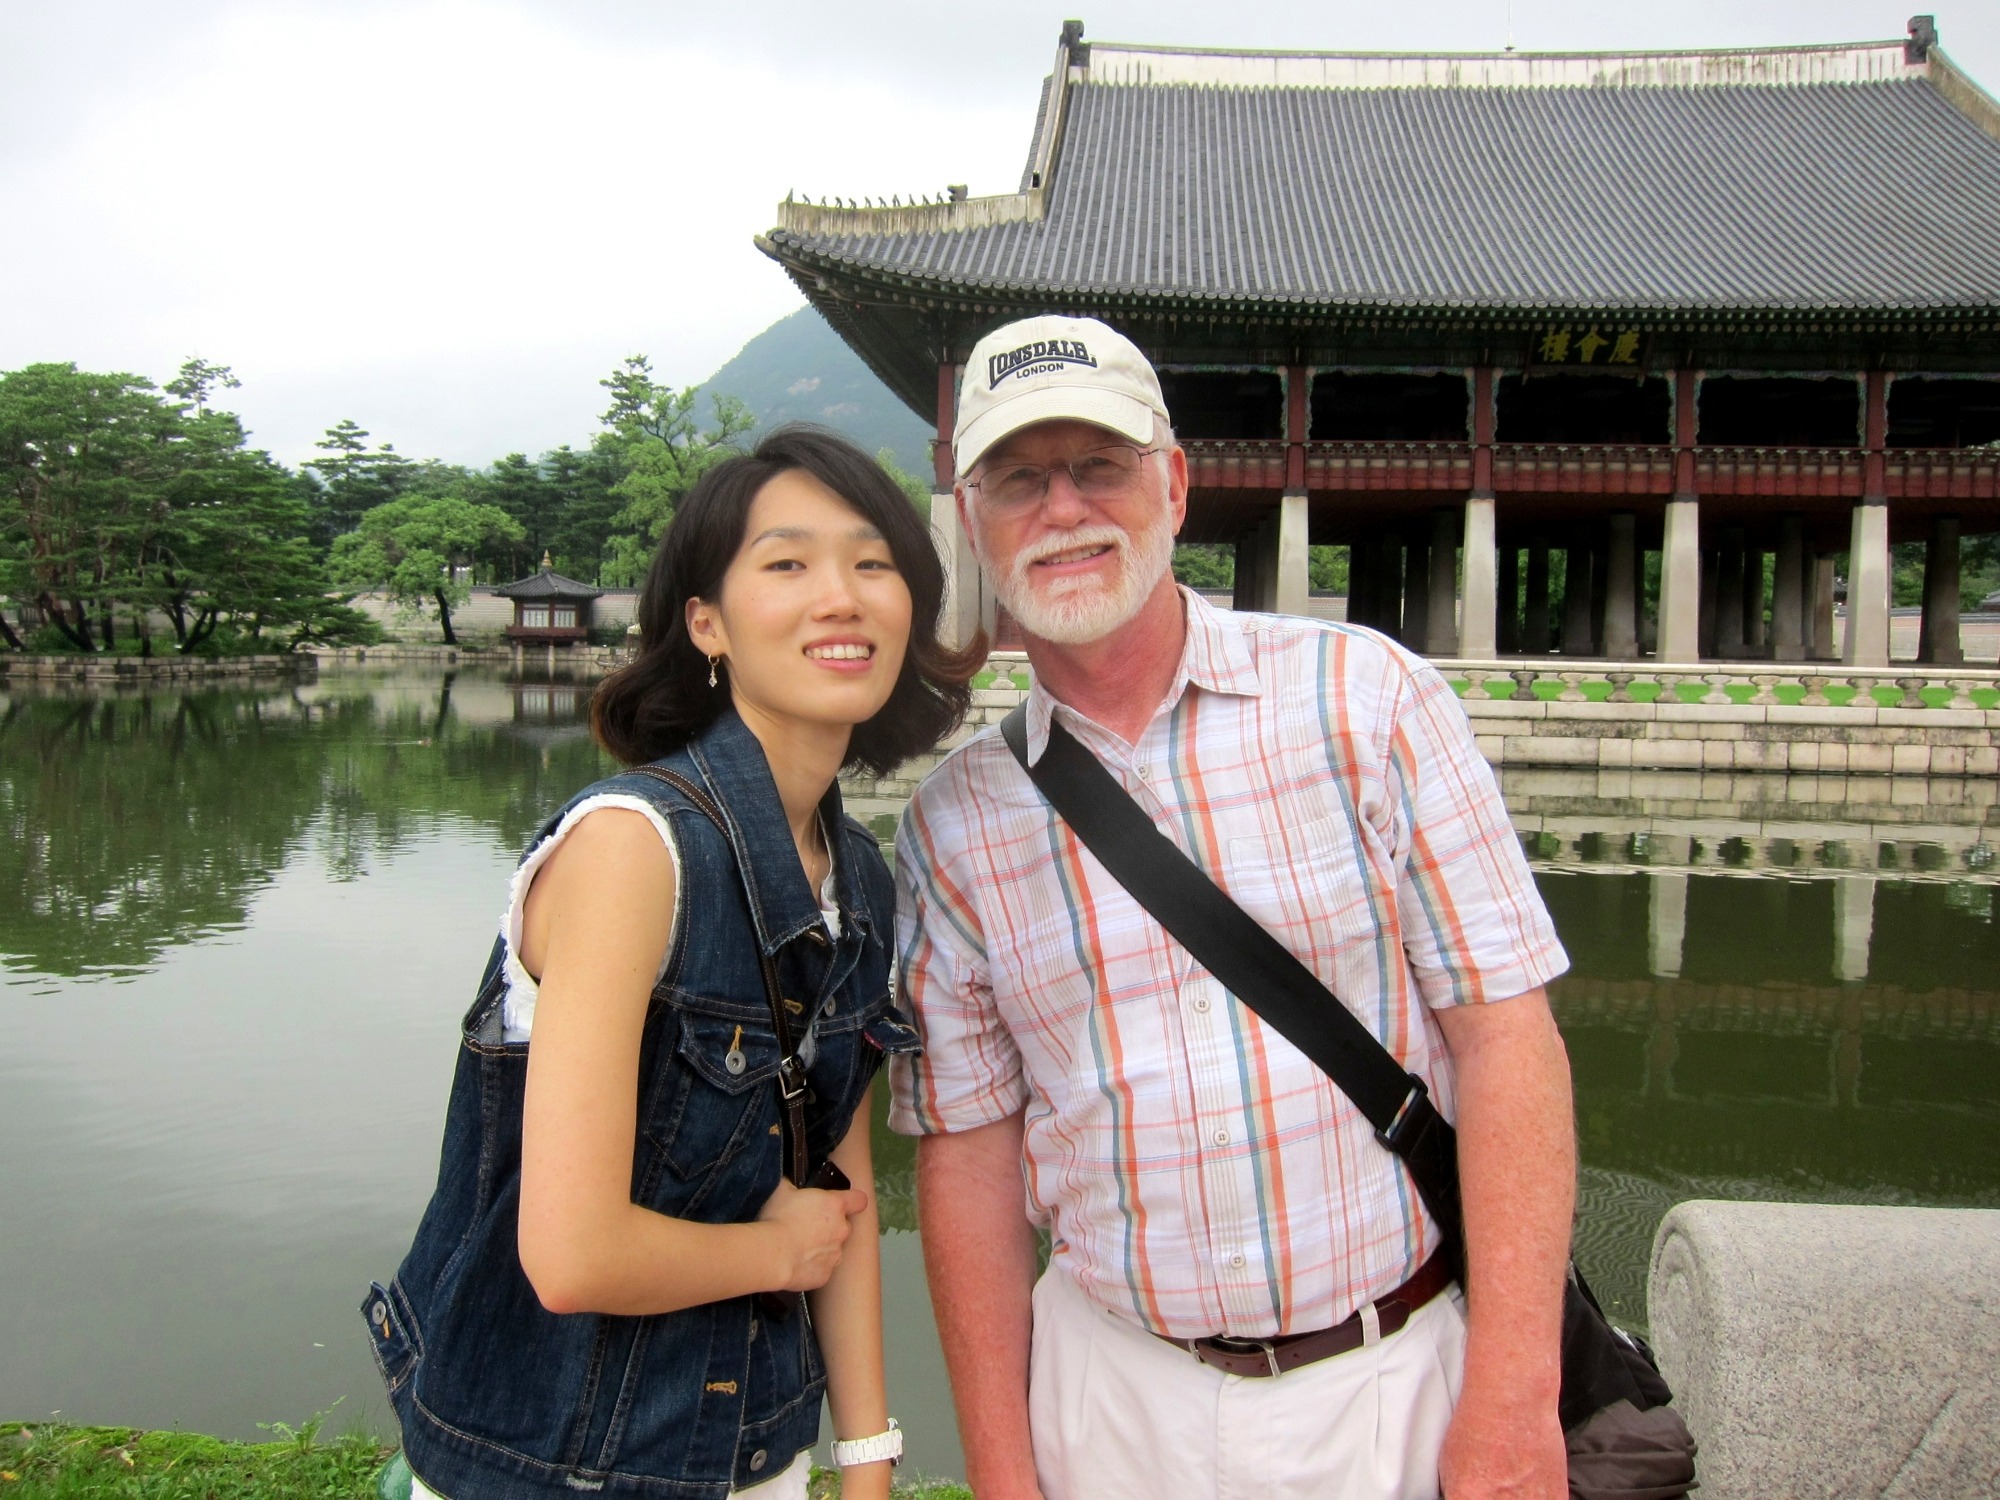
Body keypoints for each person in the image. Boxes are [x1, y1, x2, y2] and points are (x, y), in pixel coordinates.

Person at [891, 317, 1577, 1500]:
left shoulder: (1367, 700)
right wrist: (1001, 1470)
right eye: (1017, 479)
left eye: (1098, 466)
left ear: (1173, 484)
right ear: (972, 518)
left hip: (1389, 1383)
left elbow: (1505, 1038)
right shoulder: (953, 823)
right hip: (1107, 1397)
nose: (1062, 509)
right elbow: (968, 1159)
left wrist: (1513, 1400)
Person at [363, 426, 978, 1500]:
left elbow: (833, 1189)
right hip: (551, 1464)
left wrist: (866, 1461)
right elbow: (573, 1255)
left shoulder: (859, 879)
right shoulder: (632, 851)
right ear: (708, 623)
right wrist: (776, 1255)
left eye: (873, 563)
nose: (841, 597)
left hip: (757, 1448)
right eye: (786, 564)